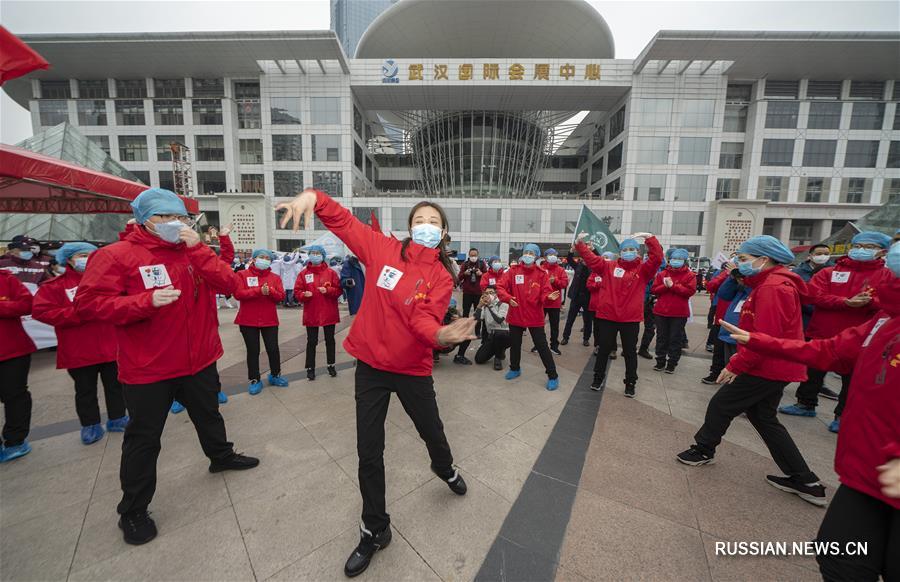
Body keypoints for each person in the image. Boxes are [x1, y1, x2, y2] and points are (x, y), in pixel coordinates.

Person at [276, 188, 475, 578]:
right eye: (419, 220)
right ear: (408, 228)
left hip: (412, 369)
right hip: (370, 366)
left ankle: (444, 466)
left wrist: (439, 336)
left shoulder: (440, 277)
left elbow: (422, 321)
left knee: (432, 432)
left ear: (444, 231)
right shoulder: (382, 249)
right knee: (369, 451)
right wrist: (314, 198)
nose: (426, 227)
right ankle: (374, 529)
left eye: (433, 222)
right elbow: (344, 222)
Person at [74, 188, 259, 546]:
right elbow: (88, 305)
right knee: (144, 438)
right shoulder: (116, 256)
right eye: (164, 218)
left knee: (209, 415)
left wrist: (198, 248)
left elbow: (232, 285)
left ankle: (220, 456)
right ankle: (133, 509)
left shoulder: (193, 253)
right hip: (149, 367)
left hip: (200, 358)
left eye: (181, 217)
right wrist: (143, 302)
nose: (175, 224)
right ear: (145, 220)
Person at [721, 242, 900, 580]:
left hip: (889, 469)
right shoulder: (887, 316)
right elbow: (832, 350)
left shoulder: (775, 286)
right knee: (839, 559)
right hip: (868, 471)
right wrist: (755, 341)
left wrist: (747, 354)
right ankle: (804, 478)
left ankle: (798, 476)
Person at [675, 235, 825, 506]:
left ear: (763, 259)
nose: (738, 263)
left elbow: (764, 336)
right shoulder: (771, 283)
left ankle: (703, 449)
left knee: (722, 404)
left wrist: (737, 364)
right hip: (774, 363)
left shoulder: (774, 287)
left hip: (768, 365)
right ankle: (804, 479)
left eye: (743, 259)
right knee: (763, 417)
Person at [779, 232, 892, 433]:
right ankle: (805, 404)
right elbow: (814, 295)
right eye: (859, 245)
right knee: (812, 372)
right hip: (824, 331)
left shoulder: (887, 275)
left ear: (882, 252)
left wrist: (871, 302)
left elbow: (890, 302)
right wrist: (845, 302)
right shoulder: (829, 272)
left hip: (861, 337)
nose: (862, 250)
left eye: (869, 247)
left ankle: (842, 415)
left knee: (852, 379)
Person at [32, 242, 128, 445]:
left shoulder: (109, 281)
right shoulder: (56, 285)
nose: (87, 260)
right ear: (69, 259)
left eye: (91, 255)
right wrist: (77, 314)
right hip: (79, 349)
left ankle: (118, 417)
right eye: (82, 255)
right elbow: (42, 311)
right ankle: (90, 424)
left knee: (115, 386)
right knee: (85, 390)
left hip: (110, 346)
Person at [575, 232, 662, 396]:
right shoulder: (608, 266)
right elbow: (591, 259)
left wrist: (650, 239)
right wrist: (580, 244)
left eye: (632, 249)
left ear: (638, 252)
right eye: (625, 249)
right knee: (603, 350)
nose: (628, 252)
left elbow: (657, 258)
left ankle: (630, 383)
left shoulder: (643, 269)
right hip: (608, 317)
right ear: (620, 252)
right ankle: (597, 378)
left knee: (630, 353)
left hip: (630, 319)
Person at [496, 243, 561, 391]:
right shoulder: (513, 271)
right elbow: (500, 286)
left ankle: (553, 375)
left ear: (537, 256)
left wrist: (548, 296)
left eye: (532, 253)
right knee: (515, 343)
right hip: (516, 313)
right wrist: (507, 297)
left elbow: (545, 292)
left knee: (542, 345)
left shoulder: (541, 273)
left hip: (534, 316)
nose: (528, 255)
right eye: (526, 252)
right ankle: (515, 368)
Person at [233, 249, 289, 394]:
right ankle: (254, 379)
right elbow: (238, 294)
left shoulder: (275, 278)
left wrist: (270, 291)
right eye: (261, 257)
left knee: (273, 349)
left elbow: (281, 296)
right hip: (248, 320)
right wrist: (257, 291)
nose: (264, 259)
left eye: (267, 258)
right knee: (253, 351)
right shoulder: (242, 275)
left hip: (269, 320)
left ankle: (275, 375)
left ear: (270, 261)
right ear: (254, 259)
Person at [0, 270, 36, 463]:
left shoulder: (6, 279)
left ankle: (15, 441)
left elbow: (27, 304)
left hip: (12, 351)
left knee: (15, 395)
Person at [295, 245, 342, 380]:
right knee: (312, 341)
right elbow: (297, 292)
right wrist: (304, 294)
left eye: (317, 253)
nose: (315, 255)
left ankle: (331, 365)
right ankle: (310, 368)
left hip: (328, 311)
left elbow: (338, 290)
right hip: (312, 312)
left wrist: (328, 291)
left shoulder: (331, 273)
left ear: (322, 256)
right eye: (313, 253)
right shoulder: (303, 274)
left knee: (330, 340)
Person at [650, 248, 696, 373]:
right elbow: (654, 290)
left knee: (675, 339)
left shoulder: (690, 275)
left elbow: (690, 292)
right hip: (661, 312)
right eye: (674, 259)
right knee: (661, 337)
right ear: (669, 260)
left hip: (679, 313)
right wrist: (665, 286)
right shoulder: (662, 274)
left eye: (679, 259)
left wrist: (674, 286)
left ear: (684, 261)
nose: (676, 261)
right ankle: (660, 361)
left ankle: (672, 363)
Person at [454, 248, 487, 365]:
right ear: (469, 255)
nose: (473, 257)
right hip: (467, 292)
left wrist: (480, 274)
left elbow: (486, 276)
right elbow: (459, 277)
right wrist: (465, 273)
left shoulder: (482, 264)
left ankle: (477, 332)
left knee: (479, 313)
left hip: (478, 292)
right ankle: (465, 328)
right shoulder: (465, 264)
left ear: (478, 255)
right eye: (471, 255)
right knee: (466, 312)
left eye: (475, 255)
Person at [561, 249, 593, 347]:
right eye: (583, 257)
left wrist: (593, 251)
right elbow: (569, 259)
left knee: (588, 321)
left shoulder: (593, 267)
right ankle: (565, 337)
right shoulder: (578, 266)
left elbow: (598, 257)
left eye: (586, 257)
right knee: (570, 319)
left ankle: (586, 339)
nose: (584, 259)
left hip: (588, 297)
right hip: (576, 296)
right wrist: (571, 251)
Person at [474, 287, 510, 370]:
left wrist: (490, 305)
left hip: (505, 334)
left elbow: (499, 320)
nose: (488, 295)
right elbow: (477, 319)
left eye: (491, 292)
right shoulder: (485, 305)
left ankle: (498, 358)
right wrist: (479, 306)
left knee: (499, 333)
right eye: (486, 293)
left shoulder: (503, 304)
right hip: (492, 335)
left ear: (496, 294)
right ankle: (499, 350)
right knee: (479, 359)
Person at [541, 248, 568, 355]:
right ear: (545, 257)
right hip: (542, 301)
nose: (552, 256)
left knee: (554, 326)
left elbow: (564, 283)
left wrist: (555, 280)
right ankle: (539, 344)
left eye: (554, 254)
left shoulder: (560, 270)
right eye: (550, 254)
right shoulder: (541, 268)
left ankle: (554, 346)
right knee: (538, 325)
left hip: (555, 303)